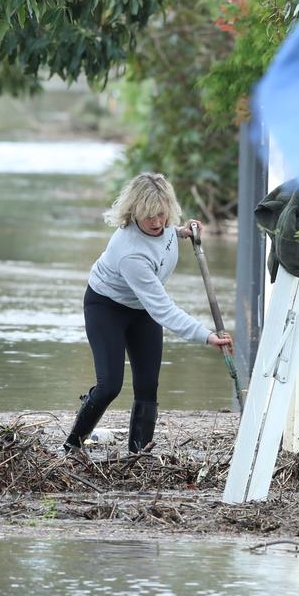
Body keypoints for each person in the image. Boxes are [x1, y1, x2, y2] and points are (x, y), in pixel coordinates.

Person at [65, 172, 233, 454]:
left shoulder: (164, 225)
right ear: (134, 213)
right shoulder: (130, 254)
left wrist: (183, 232)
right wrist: (206, 336)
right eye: (149, 217)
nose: (156, 223)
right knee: (110, 386)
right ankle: (72, 445)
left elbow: (164, 235)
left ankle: (138, 454)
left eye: (162, 215)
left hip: (142, 310)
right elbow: (164, 310)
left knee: (148, 385)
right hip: (107, 307)